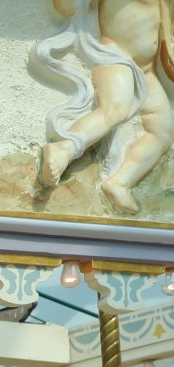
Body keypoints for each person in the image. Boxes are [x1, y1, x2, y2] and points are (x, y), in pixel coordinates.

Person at [35, 0, 172, 216]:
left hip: (147, 70)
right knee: (115, 109)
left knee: (163, 130)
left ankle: (120, 182)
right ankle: (64, 148)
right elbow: (67, 7)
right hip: (115, 58)